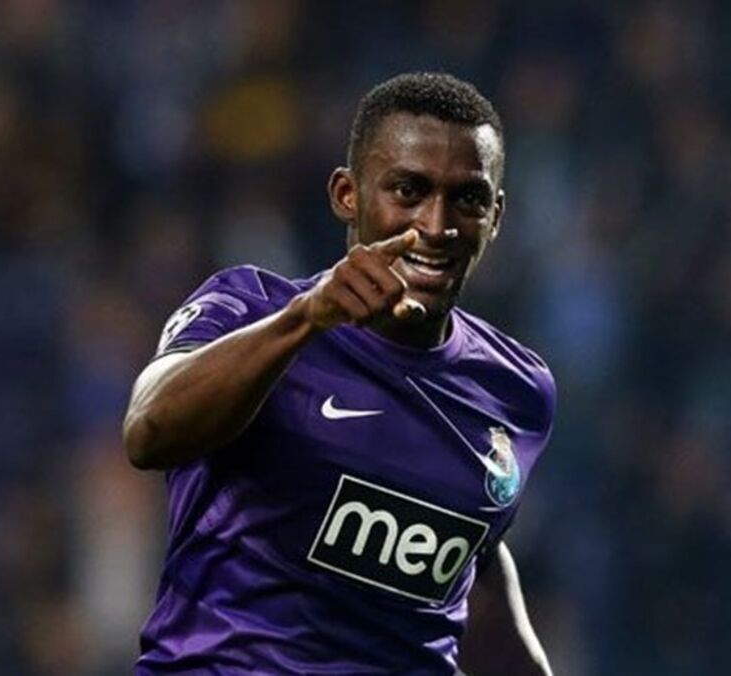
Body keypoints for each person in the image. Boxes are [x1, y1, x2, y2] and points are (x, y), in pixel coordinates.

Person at [122, 72, 555, 675]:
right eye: (408, 190)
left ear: (496, 215)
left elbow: (477, 553)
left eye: (468, 199)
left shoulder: (517, 391)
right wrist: (306, 320)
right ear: (347, 195)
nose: (436, 226)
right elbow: (148, 432)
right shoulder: (250, 308)